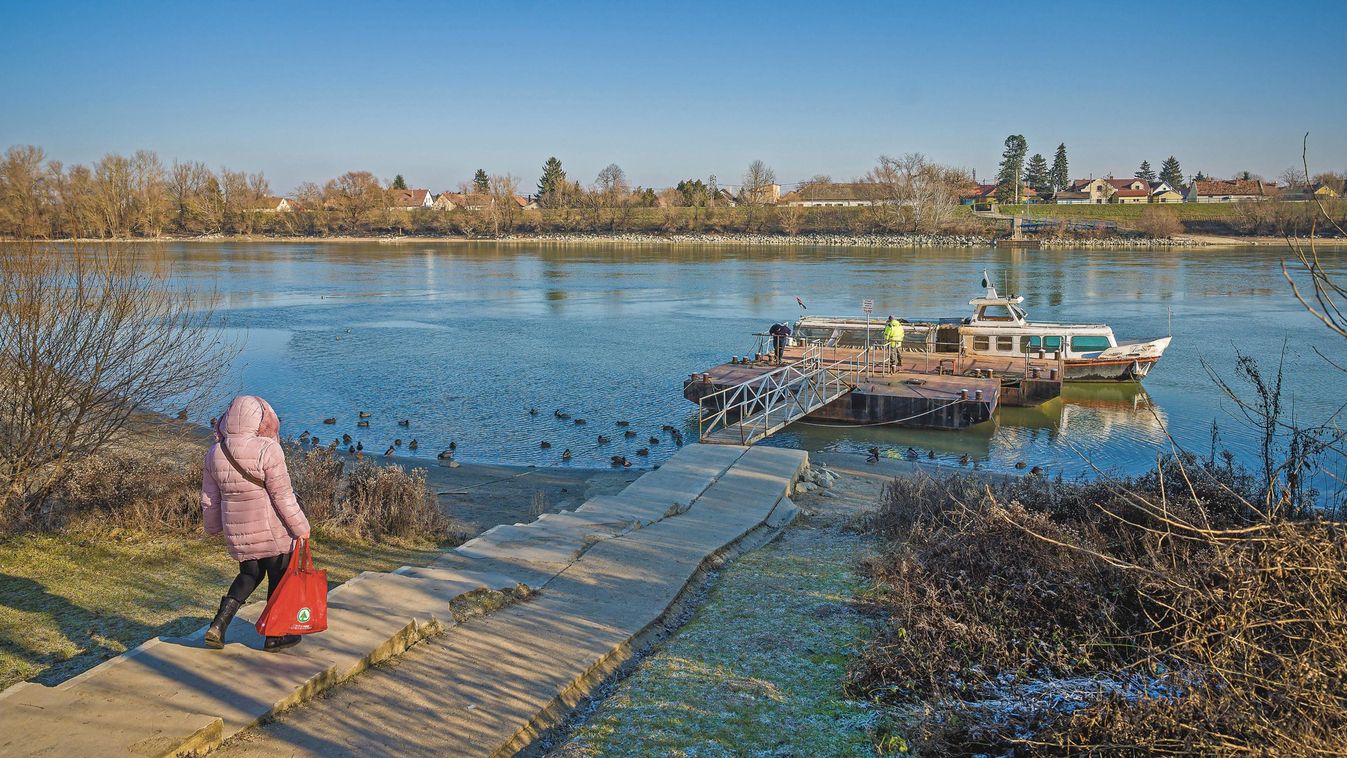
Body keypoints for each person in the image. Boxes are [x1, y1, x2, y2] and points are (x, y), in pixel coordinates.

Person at [202, 395, 311, 652]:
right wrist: (301, 528)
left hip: (238, 530)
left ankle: (219, 623)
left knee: (249, 574)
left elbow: (209, 499)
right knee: (278, 576)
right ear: (261, 418)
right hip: (272, 530)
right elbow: (282, 496)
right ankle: (275, 635)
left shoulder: (215, 452)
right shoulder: (268, 449)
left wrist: (213, 527)